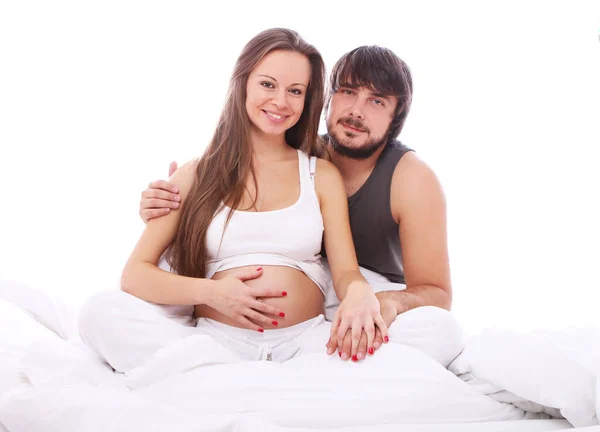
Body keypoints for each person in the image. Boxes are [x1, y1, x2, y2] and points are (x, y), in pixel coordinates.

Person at [78, 28, 391, 374]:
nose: (280, 102)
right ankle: (247, 387)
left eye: (295, 91)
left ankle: (219, 390)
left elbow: (346, 270)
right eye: (268, 84)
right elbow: (135, 275)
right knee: (99, 312)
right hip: (216, 344)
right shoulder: (195, 174)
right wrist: (212, 294)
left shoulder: (321, 175)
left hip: (308, 342)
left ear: (307, 100)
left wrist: (360, 292)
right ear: (243, 83)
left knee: (437, 330)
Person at [139, 44, 463, 364]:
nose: (357, 111)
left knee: (439, 331)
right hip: (275, 293)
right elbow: (245, 163)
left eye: (377, 101)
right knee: (107, 311)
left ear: (396, 118)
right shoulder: (304, 151)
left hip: (355, 296)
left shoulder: (411, 179)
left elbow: (434, 292)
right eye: (347, 92)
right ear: (327, 99)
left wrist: (383, 300)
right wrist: (171, 205)